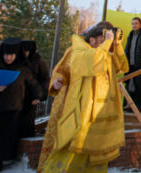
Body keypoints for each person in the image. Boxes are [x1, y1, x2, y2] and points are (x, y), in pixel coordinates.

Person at [38, 22, 129, 173]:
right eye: (101, 39)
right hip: (82, 111)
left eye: (105, 39)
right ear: (91, 40)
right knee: (73, 149)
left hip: (102, 114)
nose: (104, 43)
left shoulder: (105, 52)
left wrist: (117, 45)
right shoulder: (78, 50)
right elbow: (67, 69)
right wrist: (57, 82)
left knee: (97, 152)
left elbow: (123, 66)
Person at [0, 38, 43, 172]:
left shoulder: (23, 69)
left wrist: (37, 96)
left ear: (16, 55)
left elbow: (34, 85)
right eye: (6, 55)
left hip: (13, 108)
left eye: (11, 55)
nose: (8, 57)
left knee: (4, 137)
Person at [18, 40, 50, 138]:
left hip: (32, 98)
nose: (25, 54)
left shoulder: (39, 62)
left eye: (27, 51)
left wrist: (40, 96)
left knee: (27, 124)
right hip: (17, 97)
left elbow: (45, 80)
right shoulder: (19, 61)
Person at [124, 17, 141, 113]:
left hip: (140, 64)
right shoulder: (131, 35)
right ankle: (129, 106)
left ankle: (139, 107)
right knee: (129, 86)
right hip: (130, 65)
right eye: (132, 24)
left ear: (140, 24)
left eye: (136, 23)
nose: (134, 25)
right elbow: (127, 49)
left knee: (139, 86)